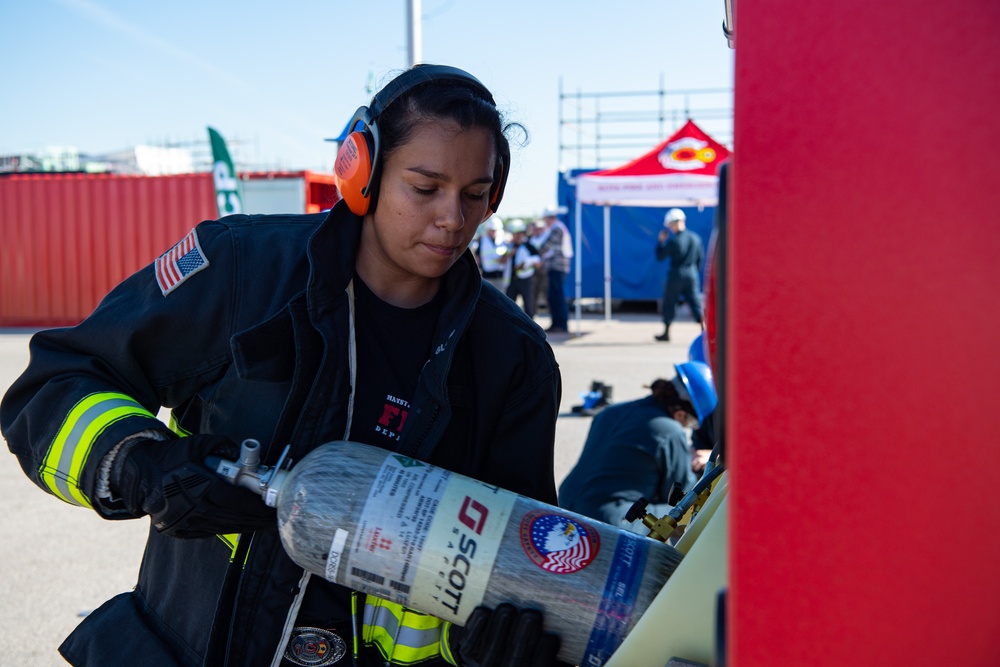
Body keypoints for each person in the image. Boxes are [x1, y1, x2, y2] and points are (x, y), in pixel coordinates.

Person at [0, 64, 567, 667]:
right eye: (425, 188)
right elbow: (57, 384)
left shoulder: (513, 360)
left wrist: (491, 647)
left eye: (475, 195)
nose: (454, 218)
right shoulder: (242, 271)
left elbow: (519, 562)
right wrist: (142, 465)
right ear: (362, 172)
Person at [558, 361, 718, 534]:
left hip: (566, 503)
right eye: (691, 423)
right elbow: (680, 496)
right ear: (681, 413)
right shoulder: (671, 431)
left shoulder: (610, 411)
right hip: (609, 519)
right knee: (688, 513)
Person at [654, 208, 705, 342]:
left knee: (670, 303)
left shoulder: (674, 241)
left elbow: (660, 256)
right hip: (692, 274)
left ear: (674, 223)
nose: (670, 228)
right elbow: (700, 258)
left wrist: (660, 242)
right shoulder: (695, 238)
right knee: (695, 303)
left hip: (676, 275)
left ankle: (666, 333)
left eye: (670, 225)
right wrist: (693, 271)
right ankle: (705, 332)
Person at [535, 206, 573, 334]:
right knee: (554, 296)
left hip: (557, 267)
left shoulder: (556, 229)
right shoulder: (557, 227)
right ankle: (557, 323)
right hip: (556, 267)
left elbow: (545, 246)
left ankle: (561, 324)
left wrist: (533, 252)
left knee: (557, 296)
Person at [501, 219, 542, 318]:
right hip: (511, 281)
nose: (517, 236)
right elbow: (502, 261)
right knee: (509, 306)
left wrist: (525, 265)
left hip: (526, 280)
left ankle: (531, 330)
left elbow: (538, 263)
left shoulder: (529, 246)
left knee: (529, 305)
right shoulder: (508, 246)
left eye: (519, 233)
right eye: (515, 233)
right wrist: (510, 254)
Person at [476, 215, 507, 291]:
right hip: (487, 275)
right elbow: (478, 256)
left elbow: (506, 255)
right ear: (488, 229)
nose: (493, 232)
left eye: (495, 230)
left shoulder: (503, 241)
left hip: (500, 275)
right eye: (492, 230)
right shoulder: (482, 240)